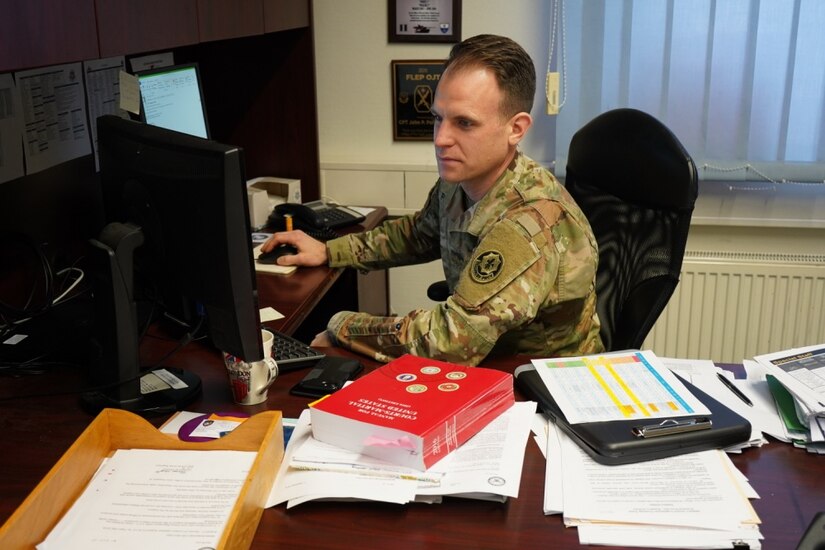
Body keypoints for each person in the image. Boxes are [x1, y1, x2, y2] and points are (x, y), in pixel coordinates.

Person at [261, 34, 604, 366]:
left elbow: (451, 341)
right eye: (438, 118)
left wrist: (342, 325)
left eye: (464, 123)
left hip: (542, 388)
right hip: (492, 360)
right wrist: (329, 251)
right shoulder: (462, 179)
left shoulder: (527, 223)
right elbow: (419, 234)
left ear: (516, 129)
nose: (441, 139)